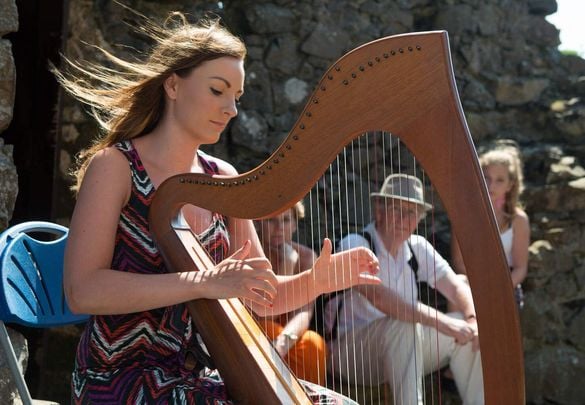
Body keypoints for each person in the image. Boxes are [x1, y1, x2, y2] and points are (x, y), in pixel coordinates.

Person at [58, 12, 381, 404]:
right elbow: (83, 290)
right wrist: (205, 282)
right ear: (173, 85)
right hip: (119, 376)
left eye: (237, 97)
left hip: (199, 378)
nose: (231, 109)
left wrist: (319, 280)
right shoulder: (116, 167)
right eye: (217, 90)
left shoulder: (222, 177)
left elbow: (264, 295)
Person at [329, 173, 484, 405]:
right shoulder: (355, 244)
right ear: (379, 210)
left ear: (419, 218)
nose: (403, 218)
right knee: (403, 323)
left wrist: (472, 320)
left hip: (403, 349)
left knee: (468, 328)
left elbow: (456, 287)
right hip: (351, 355)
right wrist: (443, 323)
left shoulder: (418, 246)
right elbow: (380, 298)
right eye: (396, 209)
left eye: (411, 212)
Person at [451, 140, 530, 308]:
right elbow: (459, 261)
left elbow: (520, 268)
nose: (491, 185)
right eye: (486, 177)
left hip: (506, 286)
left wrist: (498, 289)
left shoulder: (518, 220)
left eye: (500, 180)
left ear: (510, 185)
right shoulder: (465, 215)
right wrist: (481, 288)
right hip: (472, 283)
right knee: (459, 286)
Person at [255, 201, 327, 385]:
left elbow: (304, 312)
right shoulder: (251, 254)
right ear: (258, 223)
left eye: (286, 220)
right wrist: (287, 267)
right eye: (271, 221)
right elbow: (264, 313)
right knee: (270, 330)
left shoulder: (306, 256)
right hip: (259, 328)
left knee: (313, 343)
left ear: (295, 225)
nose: (279, 228)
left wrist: (283, 341)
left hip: (288, 335)